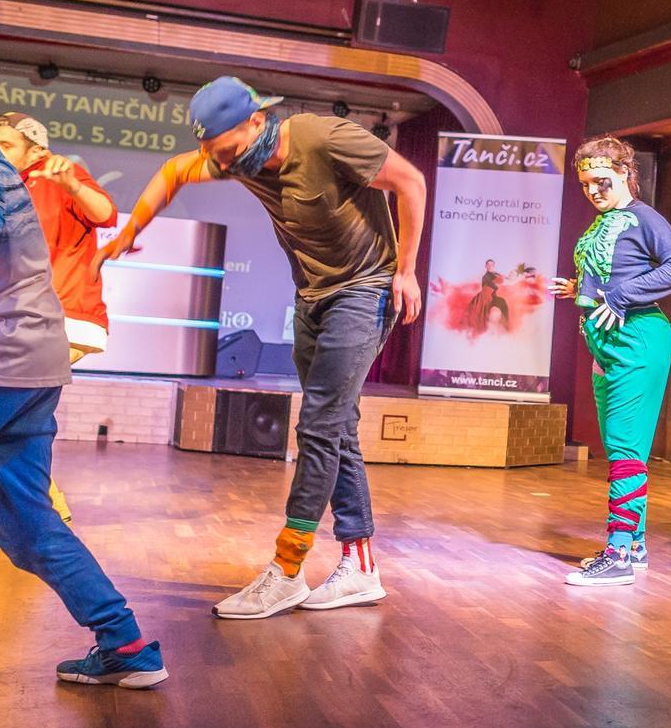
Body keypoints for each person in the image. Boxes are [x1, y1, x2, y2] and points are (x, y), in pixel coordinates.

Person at [96, 76, 426, 618]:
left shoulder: (323, 139)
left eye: (224, 151)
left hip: (364, 289)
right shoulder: (236, 159)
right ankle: (361, 566)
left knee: (318, 426)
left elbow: (410, 182)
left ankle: (287, 570)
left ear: (256, 122)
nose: (220, 164)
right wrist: (133, 228)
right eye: (213, 154)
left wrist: (406, 271)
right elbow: (175, 171)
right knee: (337, 427)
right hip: (312, 296)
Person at [0, 55, 165, 687]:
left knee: (27, 524)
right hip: (29, 365)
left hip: (0, 360)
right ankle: (126, 644)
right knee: (28, 529)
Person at [0, 112, 116, 548]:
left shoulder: (56, 177)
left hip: (62, 319)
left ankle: (7, 514)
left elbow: (105, 213)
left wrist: (72, 184)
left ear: (36, 151)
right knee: (5, 420)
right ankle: (39, 515)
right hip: (15, 322)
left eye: (6, 145)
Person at [549, 136, 671, 587]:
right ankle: (635, 545)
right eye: (585, 184)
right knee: (620, 448)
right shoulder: (604, 221)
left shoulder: (644, 217)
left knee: (626, 448)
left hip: (637, 339)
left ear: (625, 174)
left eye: (601, 181)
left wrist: (620, 296)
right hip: (607, 344)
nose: (592, 190)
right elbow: (616, 271)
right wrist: (580, 290)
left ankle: (618, 554)